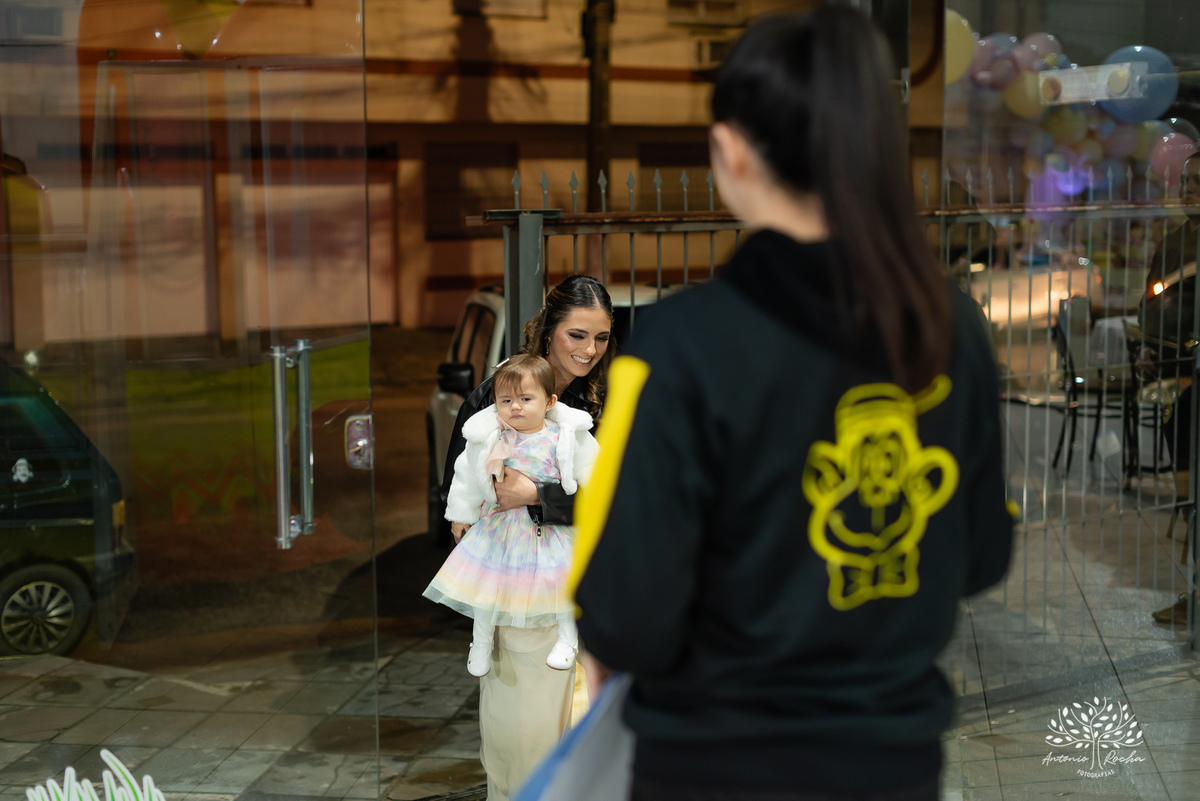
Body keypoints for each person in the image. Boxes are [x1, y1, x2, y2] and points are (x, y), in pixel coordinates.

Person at [569, 7, 1015, 801]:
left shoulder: (682, 343)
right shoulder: (955, 328)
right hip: (895, 766)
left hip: (713, 768)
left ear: (730, 150)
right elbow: (981, 558)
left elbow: (627, 614)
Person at [439, 275, 615, 801]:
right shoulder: (498, 398)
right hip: (522, 590)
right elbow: (466, 490)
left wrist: (540, 495)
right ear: (548, 332)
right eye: (577, 335)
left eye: (601, 338)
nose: (589, 350)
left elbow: (624, 499)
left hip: (596, 589)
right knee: (525, 735)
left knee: (589, 737)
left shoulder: (607, 402)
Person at [424, 354, 599, 676]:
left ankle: (567, 640)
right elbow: (465, 475)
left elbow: (595, 471)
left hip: (552, 529)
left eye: (525, 399)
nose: (515, 407)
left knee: (564, 585)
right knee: (488, 588)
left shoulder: (567, 435)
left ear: (550, 402)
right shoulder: (491, 437)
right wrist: (460, 513)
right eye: (506, 400)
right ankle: (480, 641)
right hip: (501, 528)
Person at [1138, 151, 1200, 627]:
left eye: (1196, 181)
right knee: (1187, 490)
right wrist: (1149, 345)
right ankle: (1194, 593)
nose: (1187, 189)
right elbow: (1151, 300)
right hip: (1177, 380)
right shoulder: (1174, 241)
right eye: (1185, 180)